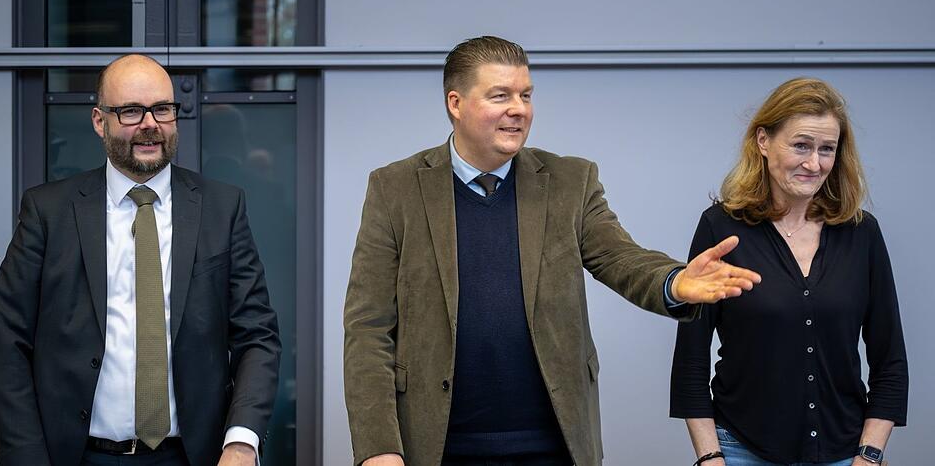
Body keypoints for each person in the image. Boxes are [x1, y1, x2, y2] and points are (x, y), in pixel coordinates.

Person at [343, 36, 762, 466]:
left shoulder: (569, 180)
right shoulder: (395, 188)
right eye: (500, 95)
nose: (519, 109)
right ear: (456, 103)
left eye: (525, 95)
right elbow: (368, 327)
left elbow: (619, 257)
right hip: (434, 445)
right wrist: (378, 448)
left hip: (552, 445)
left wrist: (673, 281)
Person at [0, 54, 281, 466]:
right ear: (98, 120)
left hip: (192, 456)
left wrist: (241, 441)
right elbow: (9, 341)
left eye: (162, 109)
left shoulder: (222, 207)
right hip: (76, 456)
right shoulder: (47, 211)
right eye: (130, 111)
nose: (150, 124)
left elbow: (257, 336)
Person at [670, 77, 908, 466]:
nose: (814, 163)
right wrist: (709, 457)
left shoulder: (862, 234)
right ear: (763, 141)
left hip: (846, 454)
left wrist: (869, 455)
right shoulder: (721, 229)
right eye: (801, 145)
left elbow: (891, 360)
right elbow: (690, 360)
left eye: (827, 149)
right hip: (741, 450)